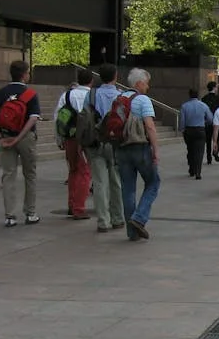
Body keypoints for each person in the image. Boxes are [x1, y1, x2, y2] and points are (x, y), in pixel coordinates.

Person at [117, 67, 161, 242]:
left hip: (121, 148)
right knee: (153, 182)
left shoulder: (119, 98)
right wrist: (155, 150)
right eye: (146, 83)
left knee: (128, 189)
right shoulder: (142, 100)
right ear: (139, 83)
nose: (147, 87)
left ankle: (132, 232)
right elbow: (149, 126)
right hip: (140, 147)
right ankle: (139, 218)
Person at [0, 59, 42, 227]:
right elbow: (33, 118)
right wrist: (20, 137)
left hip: (6, 137)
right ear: (25, 75)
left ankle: (10, 215)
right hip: (26, 138)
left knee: (8, 175)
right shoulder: (30, 94)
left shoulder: (0, 93)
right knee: (30, 175)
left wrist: (0, 137)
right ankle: (30, 213)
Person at [88, 63, 124, 233]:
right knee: (116, 180)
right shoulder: (121, 96)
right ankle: (118, 218)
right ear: (115, 76)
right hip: (115, 142)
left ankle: (103, 221)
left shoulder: (92, 95)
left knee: (99, 181)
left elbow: (85, 118)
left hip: (96, 141)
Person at [57, 70, 94, 219]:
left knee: (73, 170)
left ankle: (72, 205)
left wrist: (59, 139)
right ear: (91, 81)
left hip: (69, 138)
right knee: (85, 173)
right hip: (85, 139)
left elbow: (57, 117)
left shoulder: (66, 95)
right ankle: (79, 208)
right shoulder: (92, 96)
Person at [179, 87, 214, 179]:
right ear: (198, 95)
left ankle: (192, 169)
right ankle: (198, 172)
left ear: (189, 95)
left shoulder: (184, 106)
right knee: (199, 151)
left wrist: (182, 129)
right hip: (200, 130)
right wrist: (204, 122)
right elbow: (210, 119)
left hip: (189, 130)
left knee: (190, 150)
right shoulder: (204, 106)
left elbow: (182, 120)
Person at [200, 81, 219, 165]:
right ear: (214, 88)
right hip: (216, 122)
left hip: (207, 122)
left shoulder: (204, 98)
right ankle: (215, 151)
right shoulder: (218, 98)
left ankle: (209, 157)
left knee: (208, 140)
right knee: (218, 139)